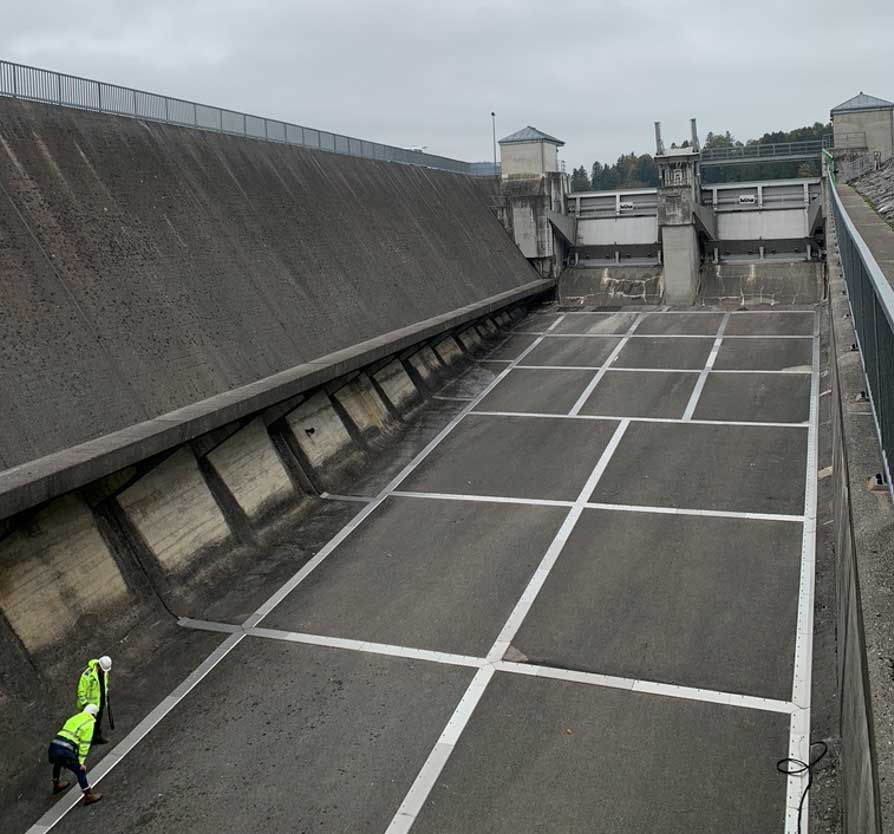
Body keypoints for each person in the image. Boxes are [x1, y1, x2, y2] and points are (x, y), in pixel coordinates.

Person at [48, 704, 103, 804]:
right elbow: (84, 744)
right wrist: (80, 762)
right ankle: (88, 795)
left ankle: (56, 785)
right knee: (80, 771)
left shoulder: (75, 718)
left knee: (58, 763)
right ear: (94, 714)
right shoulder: (89, 723)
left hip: (54, 744)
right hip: (66, 749)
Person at [76, 656, 112, 744]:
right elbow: (81, 691)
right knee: (87, 723)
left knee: (98, 721)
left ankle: (96, 737)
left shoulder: (104, 673)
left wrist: (106, 695)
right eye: (103, 670)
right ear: (99, 666)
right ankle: (84, 740)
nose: (104, 672)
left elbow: (104, 685)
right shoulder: (87, 675)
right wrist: (85, 704)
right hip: (89, 706)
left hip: (100, 702)